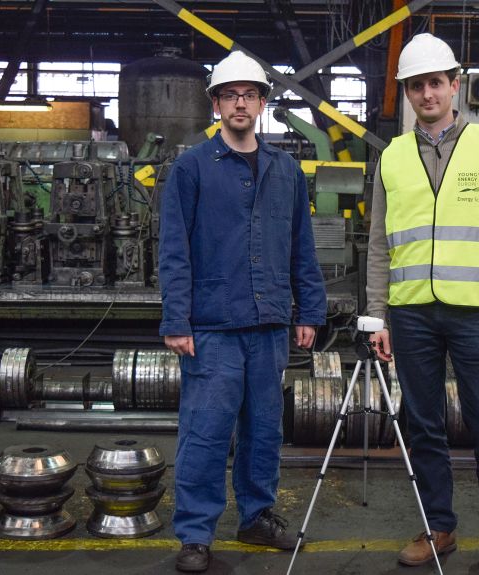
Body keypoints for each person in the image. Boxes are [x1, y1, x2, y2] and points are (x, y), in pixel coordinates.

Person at [366, 33, 479, 575]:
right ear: (407, 93)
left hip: (474, 312)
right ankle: (440, 527)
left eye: (435, 83)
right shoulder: (393, 156)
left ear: (454, 86)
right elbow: (379, 242)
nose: (427, 94)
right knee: (423, 425)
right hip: (413, 313)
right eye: (416, 85)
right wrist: (376, 314)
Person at [158, 50, 327, 573]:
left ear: (262, 103)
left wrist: (310, 311)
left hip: (271, 322)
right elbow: (173, 250)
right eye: (229, 94)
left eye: (249, 94)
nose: (239, 103)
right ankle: (195, 533)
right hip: (213, 325)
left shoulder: (286, 170)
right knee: (206, 431)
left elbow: (303, 246)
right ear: (215, 103)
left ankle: (257, 516)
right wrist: (177, 320)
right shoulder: (190, 168)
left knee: (263, 431)